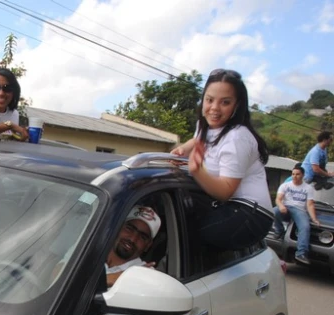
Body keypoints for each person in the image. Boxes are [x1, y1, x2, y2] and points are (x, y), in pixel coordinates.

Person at [171, 68, 272, 250]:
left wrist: (197, 170)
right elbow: (199, 139)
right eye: (209, 100)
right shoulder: (205, 126)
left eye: (225, 102)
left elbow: (225, 191)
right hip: (229, 206)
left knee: (183, 236)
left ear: (237, 105)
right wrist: (184, 148)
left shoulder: (237, 137)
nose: (214, 108)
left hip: (251, 215)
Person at [271, 163, 319, 265]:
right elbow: (278, 199)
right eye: (293, 174)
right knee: (273, 211)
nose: (294, 176)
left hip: (300, 210)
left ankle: (301, 253)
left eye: (297, 174)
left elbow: (310, 205)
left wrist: (314, 218)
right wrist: (281, 206)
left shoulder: (308, 188)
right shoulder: (285, 185)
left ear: (302, 175)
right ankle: (279, 231)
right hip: (286, 207)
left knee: (305, 227)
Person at [104, 206, 161, 287]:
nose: (133, 239)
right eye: (129, 228)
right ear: (118, 227)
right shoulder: (89, 249)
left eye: (142, 237)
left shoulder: (145, 274)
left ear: (148, 245)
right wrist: (114, 278)